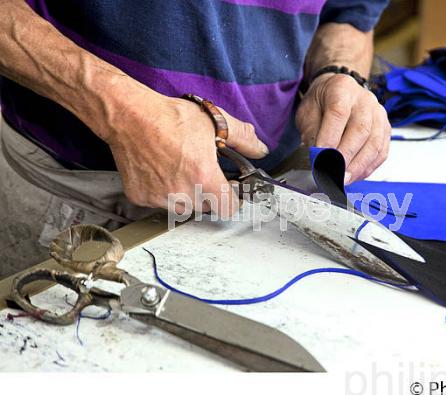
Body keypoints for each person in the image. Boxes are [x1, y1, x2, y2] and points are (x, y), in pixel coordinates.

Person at [0, 0, 391, 278]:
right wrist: (122, 113)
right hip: (72, 185)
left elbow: (350, 14)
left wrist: (337, 72)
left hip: (273, 191)